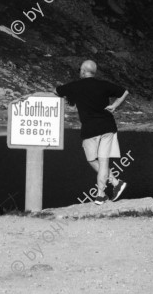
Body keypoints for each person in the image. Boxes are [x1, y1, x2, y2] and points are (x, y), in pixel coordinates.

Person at [55, 60, 129, 205]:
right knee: (102, 161)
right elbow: (124, 91)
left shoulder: (75, 86)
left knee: (93, 160)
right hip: (108, 126)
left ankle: (102, 194)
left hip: (90, 130)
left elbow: (57, 91)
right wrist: (114, 105)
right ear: (93, 72)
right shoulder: (103, 84)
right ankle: (114, 184)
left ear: (83, 71)